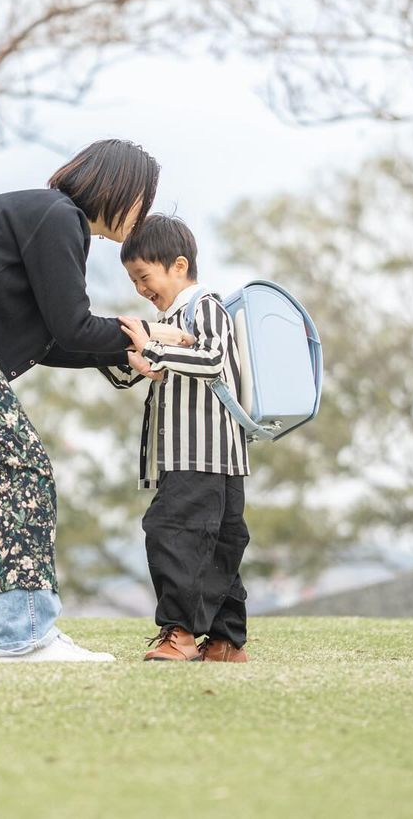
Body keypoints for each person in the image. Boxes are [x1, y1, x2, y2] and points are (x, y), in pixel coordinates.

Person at [0, 138, 188, 663]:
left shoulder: (45, 217)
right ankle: (26, 637)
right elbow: (73, 325)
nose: (144, 213)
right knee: (18, 469)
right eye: (143, 198)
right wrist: (147, 335)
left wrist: (127, 350)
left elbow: (52, 339)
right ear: (119, 187)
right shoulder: (58, 216)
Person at [108, 214, 251, 662]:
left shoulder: (203, 306)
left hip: (198, 452)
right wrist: (134, 354)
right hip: (217, 456)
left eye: (144, 277)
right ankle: (226, 641)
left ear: (178, 265)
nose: (140, 290)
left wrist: (151, 344)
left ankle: (181, 633)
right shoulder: (168, 318)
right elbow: (146, 369)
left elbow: (210, 360)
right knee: (218, 543)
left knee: (172, 532)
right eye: (133, 281)